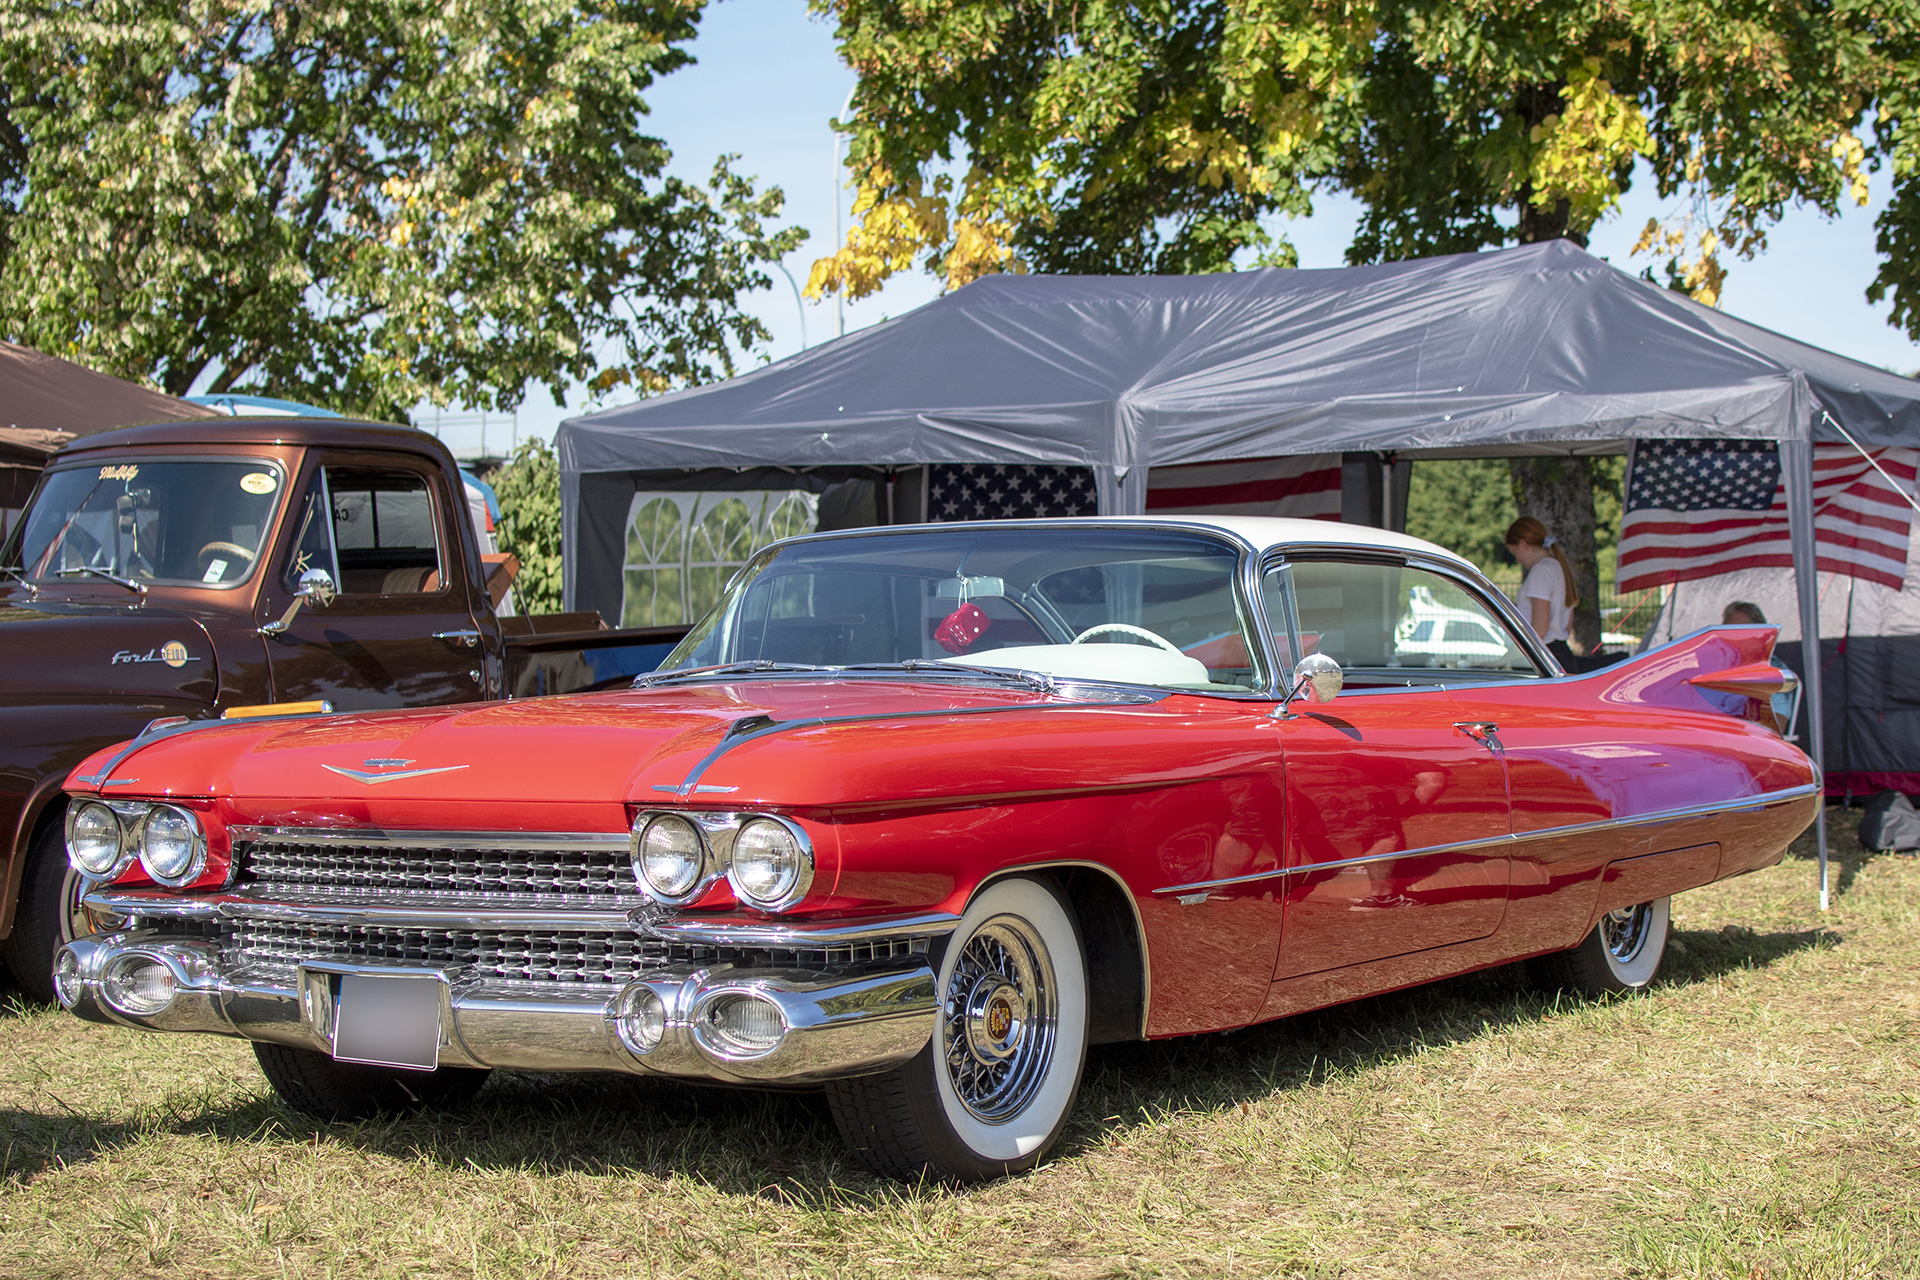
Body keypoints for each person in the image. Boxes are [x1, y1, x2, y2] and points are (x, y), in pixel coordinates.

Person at [1504, 516, 1582, 670]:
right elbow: (1566, 625)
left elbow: (1540, 629)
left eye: (1515, 553)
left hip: (1542, 658)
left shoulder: (1540, 571)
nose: (1518, 560)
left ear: (1523, 544)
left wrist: (1505, 658)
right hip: (1561, 655)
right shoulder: (1558, 567)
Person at [1721, 601, 1801, 733]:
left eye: (1743, 630)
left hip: (1750, 743)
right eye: (1730, 630)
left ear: (1760, 634)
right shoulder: (1713, 668)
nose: (1737, 636)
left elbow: (1777, 726)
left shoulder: (1774, 671)